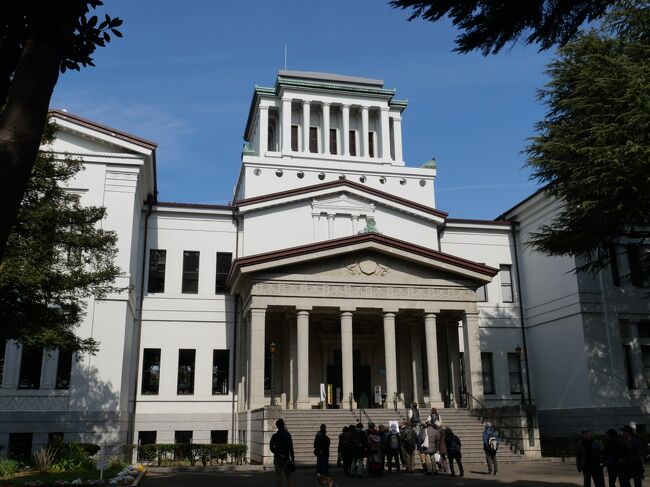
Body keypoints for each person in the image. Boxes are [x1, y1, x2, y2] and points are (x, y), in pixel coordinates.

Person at [270, 418, 295, 487]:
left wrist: (277, 453)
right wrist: (292, 458)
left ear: (277, 426)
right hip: (286, 457)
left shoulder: (275, 436)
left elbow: (271, 447)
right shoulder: (288, 435)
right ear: (283, 425)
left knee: (279, 476)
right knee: (289, 476)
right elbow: (291, 447)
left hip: (277, 458)